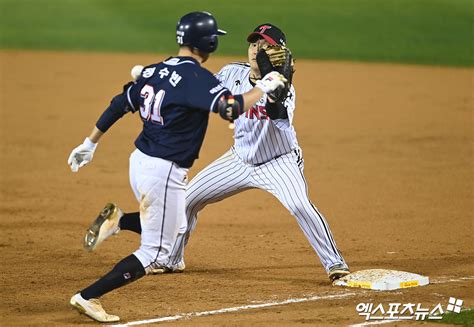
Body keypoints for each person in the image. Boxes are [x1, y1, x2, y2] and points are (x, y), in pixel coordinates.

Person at [84, 23, 350, 288]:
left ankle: (334, 263)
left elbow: (278, 115)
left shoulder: (285, 87)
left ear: (278, 52)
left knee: (299, 205)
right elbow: (197, 86)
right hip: (238, 159)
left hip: (278, 162)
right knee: (186, 201)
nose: (256, 49)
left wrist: (273, 86)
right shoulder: (232, 72)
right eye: (253, 43)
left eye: (264, 45)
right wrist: (155, 77)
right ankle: (171, 260)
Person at [67, 12, 286, 323]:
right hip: (164, 171)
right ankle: (89, 297)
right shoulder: (197, 78)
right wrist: (264, 86)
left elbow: (120, 103)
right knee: (156, 254)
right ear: (208, 42)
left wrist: (90, 143)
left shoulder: (155, 69)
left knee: (178, 224)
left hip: (140, 161)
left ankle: (117, 220)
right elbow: (230, 108)